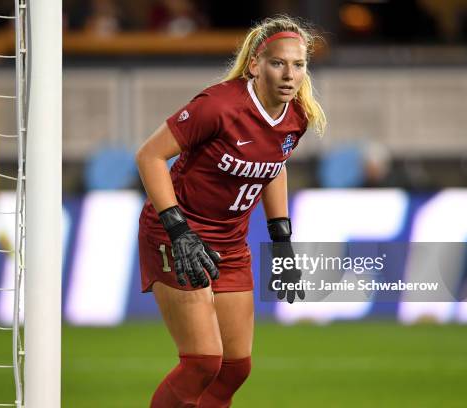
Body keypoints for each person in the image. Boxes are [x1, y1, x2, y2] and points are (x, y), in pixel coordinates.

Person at [135, 15, 326, 407]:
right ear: (255, 64)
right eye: (278, 63)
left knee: (235, 368)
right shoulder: (218, 105)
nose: (290, 74)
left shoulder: (297, 116)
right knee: (203, 362)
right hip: (176, 234)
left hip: (230, 242)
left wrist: (282, 241)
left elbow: (274, 165)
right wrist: (178, 230)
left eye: (299, 64)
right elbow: (149, 155)